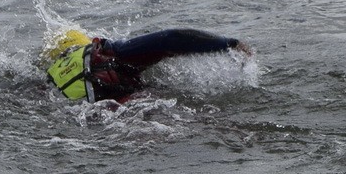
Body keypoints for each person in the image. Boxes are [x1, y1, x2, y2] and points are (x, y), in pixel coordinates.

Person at [44, 28, 250, 103]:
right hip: (135, 102)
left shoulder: (52, 84)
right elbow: (170, 38)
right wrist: (229, 44)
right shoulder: (109, 53)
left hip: (104, 119)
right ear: (89, 42)